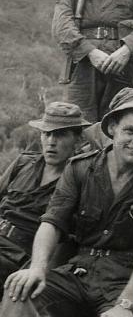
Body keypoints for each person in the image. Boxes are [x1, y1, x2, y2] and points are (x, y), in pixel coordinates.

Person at [0, 88, 133, 317]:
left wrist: (126, 304)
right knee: (19, 293)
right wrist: (37, 267)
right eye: (130, 131)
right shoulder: (79, 168)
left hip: (125, 281)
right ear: (112, 128)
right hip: (79, 272)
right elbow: (52, 221)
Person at [0, 102, 90, 297]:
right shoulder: (23, 162)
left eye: (60, 134)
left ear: (78, 139)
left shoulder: (80, 182)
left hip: (19, 256)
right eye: (46, 133)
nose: (51, 141)